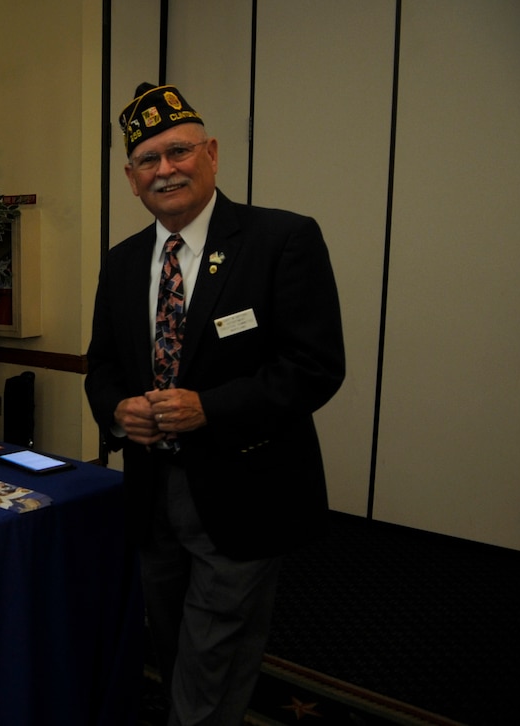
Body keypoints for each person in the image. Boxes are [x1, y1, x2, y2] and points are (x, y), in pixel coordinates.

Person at [85, 83, 345, 725]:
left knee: (213, 649)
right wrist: (118, 412)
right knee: (174, 640)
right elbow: (103, 367)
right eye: (148, 160)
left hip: (245, 487)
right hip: (152, 492)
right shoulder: (122, 263)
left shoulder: (282, 240)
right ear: (130, 177)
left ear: (212, 155)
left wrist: (211, 408)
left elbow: (315, 368)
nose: (165, 170)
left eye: (178, 152)